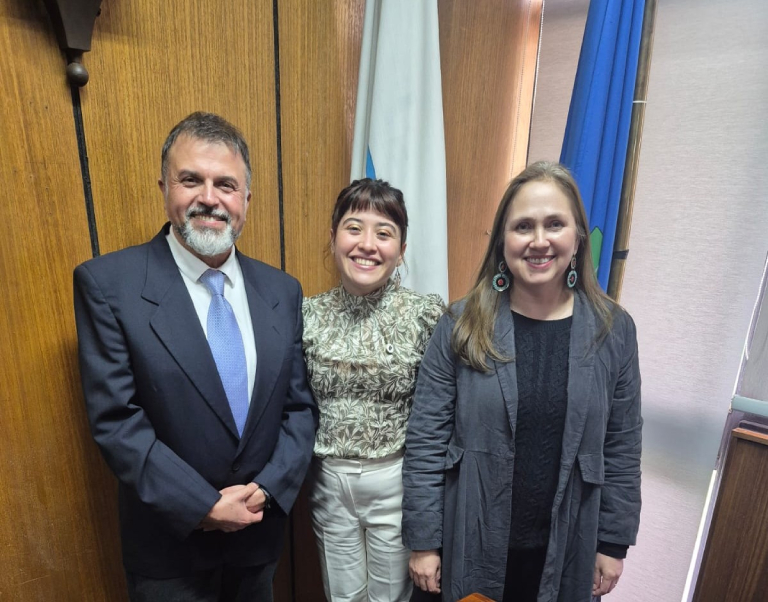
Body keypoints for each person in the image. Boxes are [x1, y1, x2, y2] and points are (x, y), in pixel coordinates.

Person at [73, 112, 318, 602]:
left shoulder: (282, 291)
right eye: (191, 179)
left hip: (258, 541)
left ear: (246, 199)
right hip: (170, 552)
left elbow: (299, 409)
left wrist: (266, 490)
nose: (209, 197)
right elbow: (117, 423)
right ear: (165, 186)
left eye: (225, 184)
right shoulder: (108, 286)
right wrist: (202, 505)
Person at [402, 161, 642, 602]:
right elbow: (425, 442)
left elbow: (622, 445)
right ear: (502, 241)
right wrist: (423, 541)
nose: (539, 240)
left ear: (577, 238)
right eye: (522, 226)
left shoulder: (613, 330)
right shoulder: (460, 323)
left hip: (568, 547)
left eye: (554, 224)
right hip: (467, 544)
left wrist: (612, 542)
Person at [302, 179, 445, 602]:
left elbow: (442, 419)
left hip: (397, 483)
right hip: (329, 482)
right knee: (341, 597)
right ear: (333, 238)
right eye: (353, 228)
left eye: (383, 233)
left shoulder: (427, 316)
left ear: (401, 250)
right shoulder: (305, 313)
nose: (367, 244)